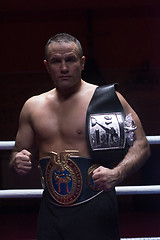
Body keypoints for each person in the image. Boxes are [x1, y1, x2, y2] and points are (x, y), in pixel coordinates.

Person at [10, 33, 150, 240]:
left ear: (82, 63)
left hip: (96, 206)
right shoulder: (33, 107)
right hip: (50, 211)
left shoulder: (107, 100)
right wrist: (17, 160)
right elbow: (17, 153)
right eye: (56, 61)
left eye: (70, 60)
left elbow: (142, 145)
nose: (64, 68)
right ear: (47, 65)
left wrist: (117, 173)